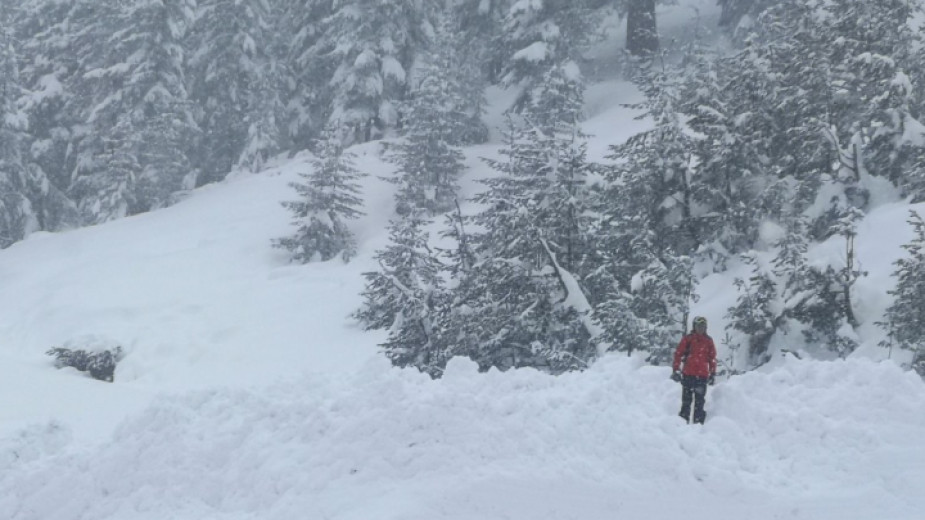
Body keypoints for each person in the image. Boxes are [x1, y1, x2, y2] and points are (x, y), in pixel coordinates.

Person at [670, 316, 717, 424]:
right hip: (688, 375)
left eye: (703, 326)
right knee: (686, 402)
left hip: (702, 377)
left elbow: (712, 358)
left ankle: (698, 426)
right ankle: (682, 424)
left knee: (699, 404)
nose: (701, 328)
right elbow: (678, 354)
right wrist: (676, 370)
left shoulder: (708, 341)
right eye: (699, 326)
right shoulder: (688, 339)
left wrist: (712, 373)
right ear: (694, 327)